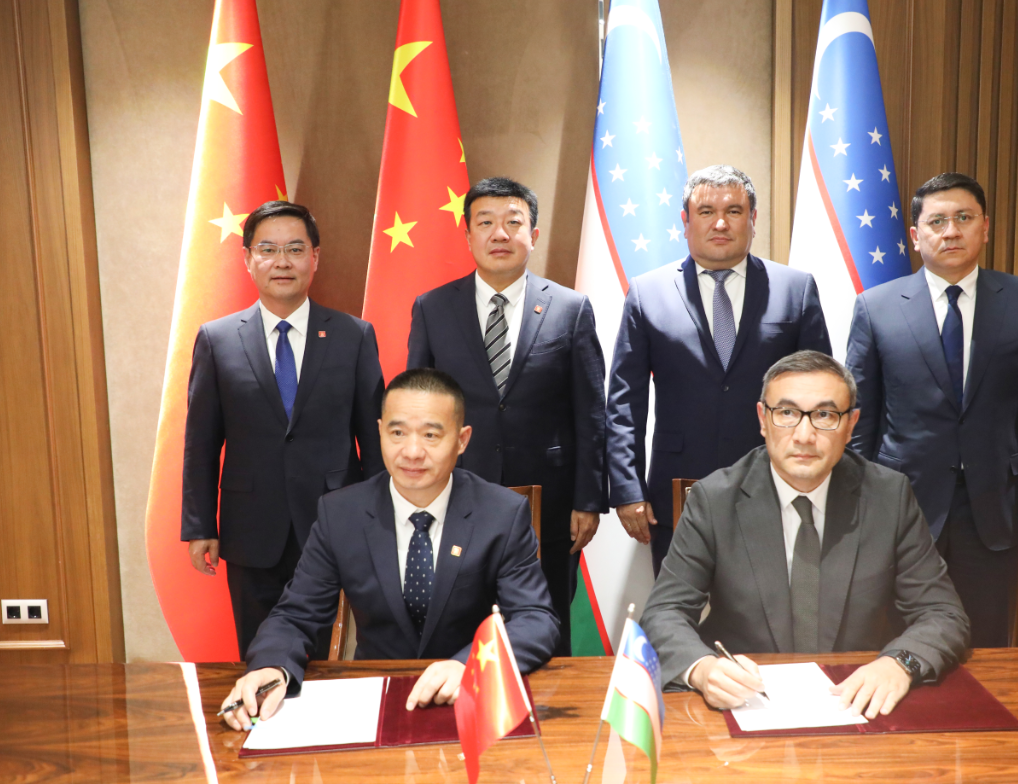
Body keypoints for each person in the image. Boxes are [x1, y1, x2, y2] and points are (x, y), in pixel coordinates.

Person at [219, 368, 560, 730]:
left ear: (462, 440)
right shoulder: (341, 514)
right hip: (373, 699)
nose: (412, 452)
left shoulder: (502, 513)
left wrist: (471, 663)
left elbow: (535, 619)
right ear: (380, 431)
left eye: (431, 435)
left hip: (471, 700)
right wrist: (272, 666)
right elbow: (295, 614)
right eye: (397, 433)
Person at [640, 351, 969, 719]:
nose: (804, 435)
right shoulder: (714, 499)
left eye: (825, 416)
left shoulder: (889, 496)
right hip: (747, 703)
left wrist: (898, 663)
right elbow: (664, 612)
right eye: (787, 413)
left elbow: (942, 613)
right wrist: (703, 669)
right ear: (763, 419)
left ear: (851, 424)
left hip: (854, 700)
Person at [845, 173, 1018, 648]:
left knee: (985, 649)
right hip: (900, 511)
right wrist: (856, 510)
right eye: (937, 221)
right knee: (899, 647)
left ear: (984, 227)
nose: (951, 231)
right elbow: (859, 424)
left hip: (994, 512)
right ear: (915, 235)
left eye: (964, 218)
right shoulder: (875, 308)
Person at [407, 177, 607, 655]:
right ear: (468, 235)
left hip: (551, 501)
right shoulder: (433, 308)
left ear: (532, 234)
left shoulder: (570, 308)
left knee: (546, 623)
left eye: (513, 222)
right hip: (457, 494)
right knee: (459, 622)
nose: (499, 234)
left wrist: (588, 500)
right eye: (486, 223)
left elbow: (591, 413)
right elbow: (416, 407)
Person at [182, 201, 385, 660]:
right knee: (259, 655)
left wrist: (380, 520)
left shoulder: (353, 336)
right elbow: (201, 444)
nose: (282, 262)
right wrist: (200, 525)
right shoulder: (217, 339)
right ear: (248, 258)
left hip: (335, 521)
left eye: (295, 249)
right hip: (251, 526)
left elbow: (375, 441)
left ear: (315, 257)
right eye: (268, 249)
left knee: (327, 657)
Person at [607, 164, 833, 575]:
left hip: (777, 482)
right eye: (707, 211)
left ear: (753, 218)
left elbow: (822, 395)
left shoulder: (795, 289)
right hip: (676, 488)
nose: (721, 223)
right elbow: (624, 402)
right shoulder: (647, 293)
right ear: (686, 221)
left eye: (734, 211)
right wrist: (627, 488)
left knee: (771, 605)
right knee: (682, 604)